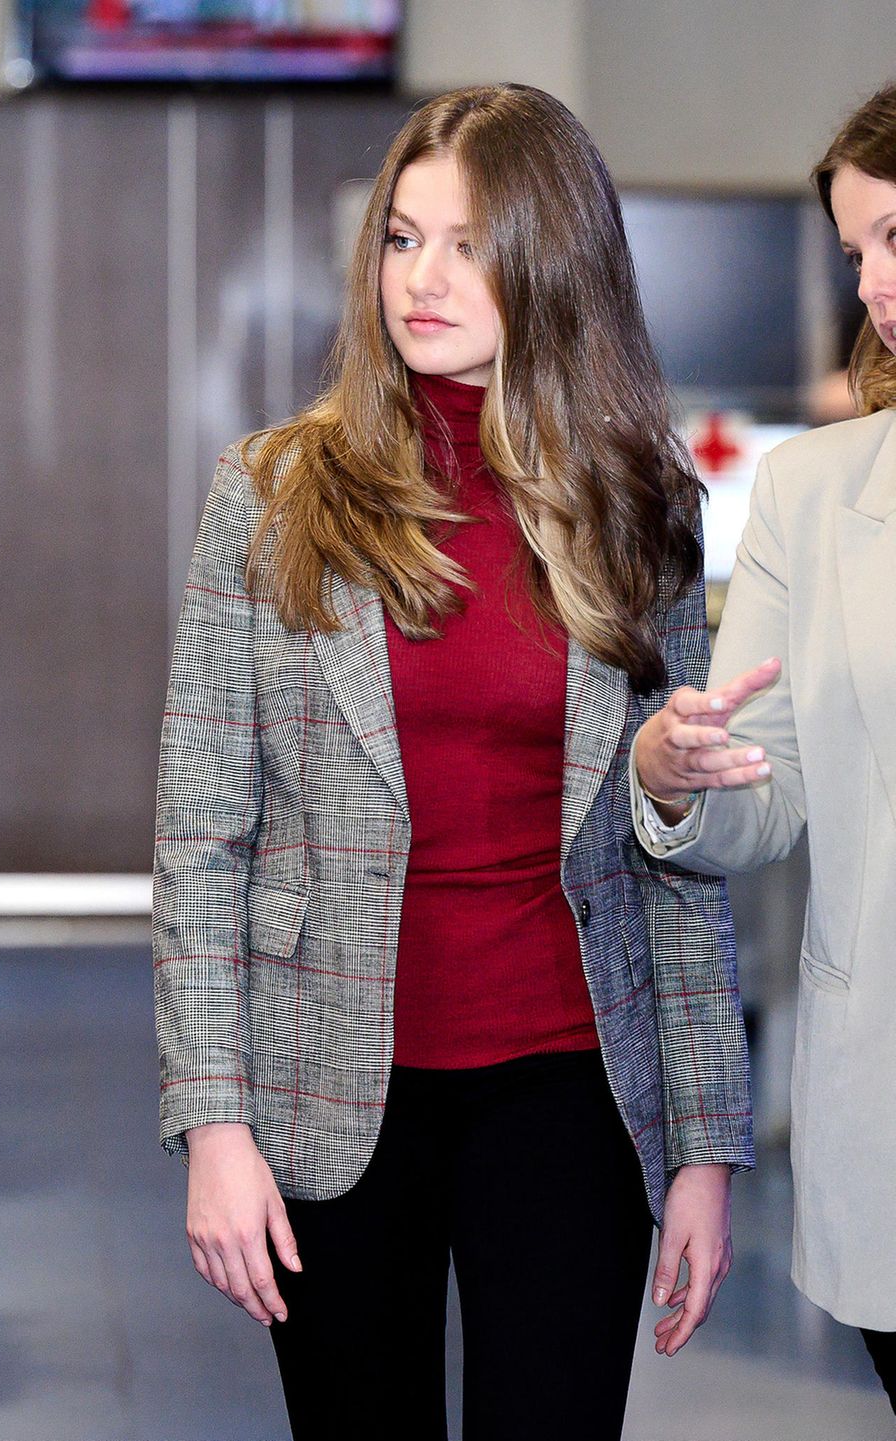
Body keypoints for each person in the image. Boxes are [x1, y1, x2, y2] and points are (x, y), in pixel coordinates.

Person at [153, 83, 753, 1441]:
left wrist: (706, 1148)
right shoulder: (273, 493)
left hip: (566, 1087)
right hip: (328, 1087)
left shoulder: (639, 508)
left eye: (467, 244)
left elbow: (680, 861)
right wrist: (214, 1125)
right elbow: (201, 836)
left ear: (553, 257)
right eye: (400, 239)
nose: (420, 280)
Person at [632, 81, 896, 1415]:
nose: (877, 285)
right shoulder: (812, 490)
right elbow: (765, 789)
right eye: (858, 256)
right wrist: (679, 777)